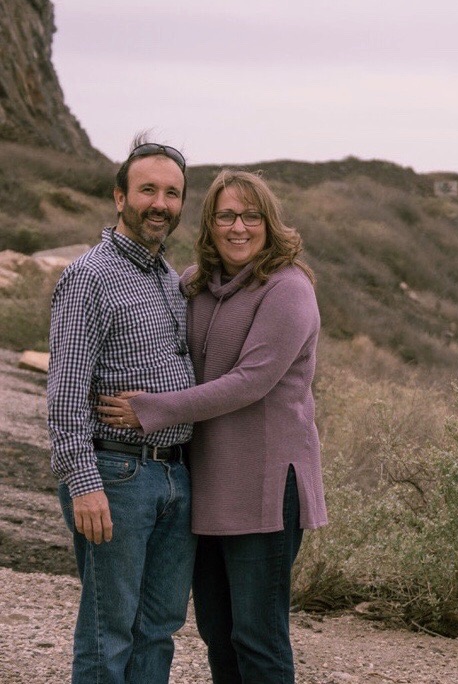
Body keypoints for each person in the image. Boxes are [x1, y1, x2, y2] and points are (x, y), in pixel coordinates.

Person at [98, 169, 328, 684]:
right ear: (210, 224)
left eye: (251, 216)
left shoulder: (288, 289)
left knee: (258, 637)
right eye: (226, 216)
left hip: (267, 486)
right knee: (217, 633)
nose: (238, 227)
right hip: (207, 486)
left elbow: (250, 381)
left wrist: (153, 409)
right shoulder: (196, 283)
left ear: (269, 223)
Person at [47, 135, 197, 684]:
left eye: (172, 193)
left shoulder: (169, 279)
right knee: (108, 631)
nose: (160, 203)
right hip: (116, 475)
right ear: (119, 197)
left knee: (158, 628)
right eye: (147, 190)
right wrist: (84, 483)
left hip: (175, 475)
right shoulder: (90, 276)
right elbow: (65, 393)